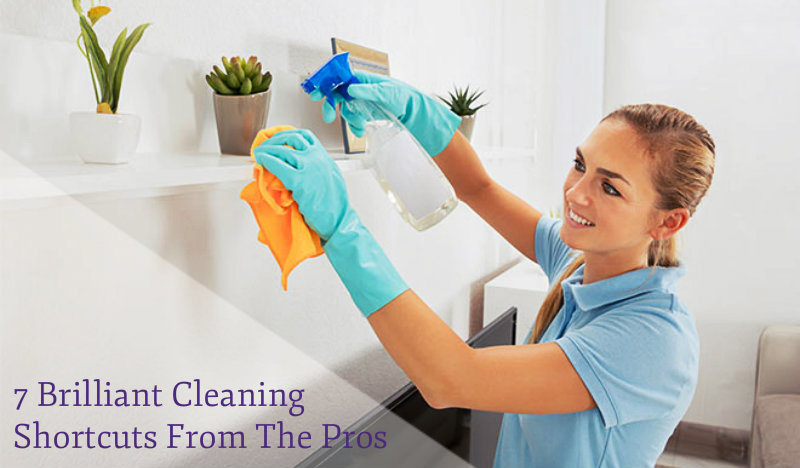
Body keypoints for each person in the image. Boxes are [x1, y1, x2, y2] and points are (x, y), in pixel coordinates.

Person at [253, 71, 715, 468]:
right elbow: (479, 187)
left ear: (667, 222)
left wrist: (341, 229)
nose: (576, 194)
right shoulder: (579, 262)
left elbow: (451, 379)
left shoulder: (653, 339)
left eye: (610, 188)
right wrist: (414, 111)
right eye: (580, 165)